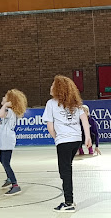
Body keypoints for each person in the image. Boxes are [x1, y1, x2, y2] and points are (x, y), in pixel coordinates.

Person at [42, 75, 92, 213]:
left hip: (63, 141)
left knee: (65, 171)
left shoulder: (51, 103)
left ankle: (68, 202)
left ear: (58, 88)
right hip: (76, 140)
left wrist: (56, 138)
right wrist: (87, 137)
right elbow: (85, 120)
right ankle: (69, 199)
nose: (51, 87)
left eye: (53, 84)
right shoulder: (75, 103)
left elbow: (50, 125)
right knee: (66, 169)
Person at [0, 89, 27, 196]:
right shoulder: (9, 111)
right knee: (2, 159)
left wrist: (5, 105)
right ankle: (9, 178)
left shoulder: (9, 111)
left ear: (9, 101)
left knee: (5, 162)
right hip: (4, 138)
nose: (3, 98)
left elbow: (0, 115)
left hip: (7, 139)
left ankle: (15, 185)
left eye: (5, 97)